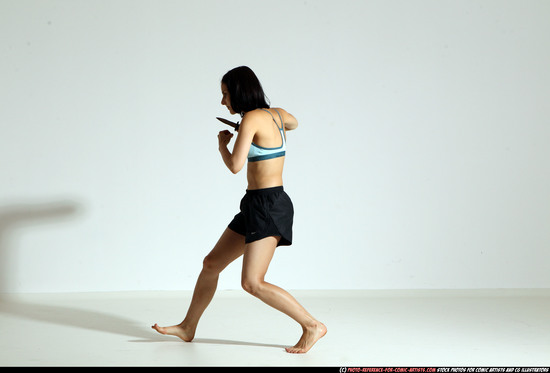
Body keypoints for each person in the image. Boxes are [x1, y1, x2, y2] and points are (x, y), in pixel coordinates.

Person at [152, 66, 326, 353]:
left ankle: (312, 325)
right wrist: (267, 131)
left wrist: (223, 144)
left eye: (225, 94)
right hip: (257, 204)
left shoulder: (250, 120)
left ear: (239, 93)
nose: (223, 102)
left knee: (252, 282)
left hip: (268, 206)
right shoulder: (277, 114)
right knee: (211, 264)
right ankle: (188, 327)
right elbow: (294, 123)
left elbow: (235, 166)